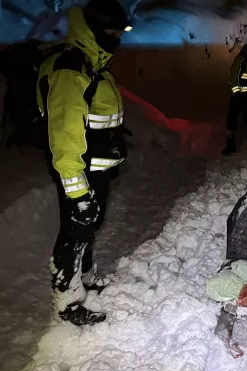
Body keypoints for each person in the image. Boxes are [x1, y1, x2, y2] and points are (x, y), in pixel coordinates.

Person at [36, 0, 133, 325]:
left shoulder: (93, 66)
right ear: (92, 29)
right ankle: (68, 301)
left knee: (89, 226)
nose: (115, 39)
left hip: (96, 167)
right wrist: (77, 192)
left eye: (119, 33)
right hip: (80, 170)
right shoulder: (71, 67)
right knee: (76, 228)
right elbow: (64, 135)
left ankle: (85, 282)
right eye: (110, 32)